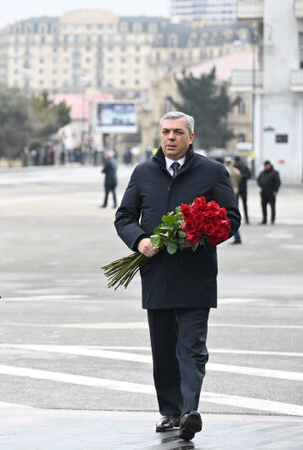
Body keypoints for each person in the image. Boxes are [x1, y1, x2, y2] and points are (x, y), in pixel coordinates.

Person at [114, 111, 240, 441]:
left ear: (191, 137)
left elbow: (231, 218)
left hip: (196, 274)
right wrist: (139, 239)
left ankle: (190, 411)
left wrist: (201, 236)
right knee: (164, 347)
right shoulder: (143, 173)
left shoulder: (213, 172)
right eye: (166, 132)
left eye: (178, 132)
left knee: (192, 347)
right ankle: (170, 411)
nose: (171, 137)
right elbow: (124, 217)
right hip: (156, 273)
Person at [223, 157, 242, 244]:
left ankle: (237, 237)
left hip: (227, 194)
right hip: (235, 192)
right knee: (234, 214)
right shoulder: (236, 171)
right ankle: (237, 237)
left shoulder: (224, 170)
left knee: (228, 215)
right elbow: (239, 179)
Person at [257, 160, 280, 225]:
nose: (266, 166)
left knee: (272, 207)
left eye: (267, 165)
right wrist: (261, 185)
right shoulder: (263, 173)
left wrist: (275, 190)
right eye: (265, 165)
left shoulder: (274, 173)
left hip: (271, 192)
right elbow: (258, 180)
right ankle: (264, 220)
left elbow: (278, 182)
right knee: (263, 207)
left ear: (270, 165)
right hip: (264, 192)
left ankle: (272, 220)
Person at [233, 156, 251, 224]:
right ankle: (236, 219)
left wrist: (241, 176)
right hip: (236, 189)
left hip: (243, 188)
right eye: (236, 162)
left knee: (245, 204)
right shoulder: (233, 168)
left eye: (238, 162)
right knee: (236, 205)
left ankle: (247, 219)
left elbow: (249, 175)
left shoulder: (244, 167)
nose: (237, 163)